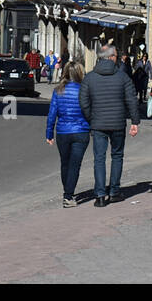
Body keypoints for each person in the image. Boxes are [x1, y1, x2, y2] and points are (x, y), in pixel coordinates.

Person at [79, 44, 140, 206]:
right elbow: (131, 100)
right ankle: (114, 191)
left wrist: (91, 118)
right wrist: (135, 121)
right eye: (116, 56)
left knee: (99, 158)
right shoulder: (123, 77)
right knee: (117, 156)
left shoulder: (90, 77)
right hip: (118, 122)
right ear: (112, 57)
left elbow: (83, 102)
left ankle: (99, 195)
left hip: (98, 123)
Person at [46, 62, 91, 207]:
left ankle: (67, 191)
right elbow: (89, 111)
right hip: (81, 131)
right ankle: (68, 195)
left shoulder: (58, 90)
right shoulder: (85, 90)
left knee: (65, 163)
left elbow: (52, 114)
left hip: (63, 132)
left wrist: (49, 133)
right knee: (75, 165)